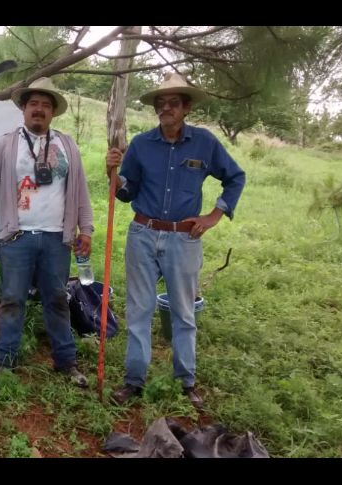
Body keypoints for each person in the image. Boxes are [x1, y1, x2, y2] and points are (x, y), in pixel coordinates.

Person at [105, 72, 246, 409]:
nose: (165, 107)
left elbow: (235, 177)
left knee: (183, 313)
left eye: (172, 103)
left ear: (186, 107)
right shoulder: (141, 144)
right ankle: (133, 382)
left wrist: (213, 216)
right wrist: (113, 174)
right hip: (142, 234)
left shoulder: (205, 143)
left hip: (184, 239)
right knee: (139, 310)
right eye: (160, 103)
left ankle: (186, 382)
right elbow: (128, 192)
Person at [0, 77, 93, 388]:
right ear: (23, 108)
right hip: (17, 238)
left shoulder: (67, 146)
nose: (39, 110)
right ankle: (4, 363)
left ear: (52, 113)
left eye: (46, 105)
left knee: (57, 299)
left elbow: (82, 193)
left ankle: (66, 362)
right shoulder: (5, 144)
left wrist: (85, 229)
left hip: (56, 239)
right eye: (34, 104)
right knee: (12, 300)